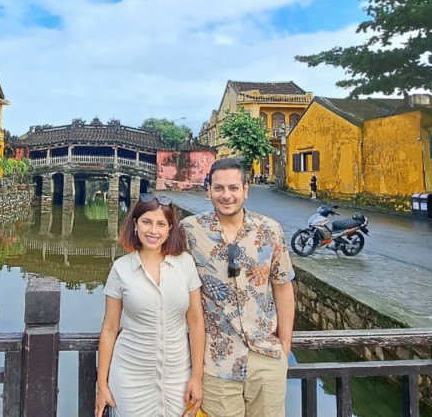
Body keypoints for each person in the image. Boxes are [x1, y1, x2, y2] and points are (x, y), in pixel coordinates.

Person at [181, 158, 295, 417]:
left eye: (233, 188)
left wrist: (284, 346)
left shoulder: (269, 230)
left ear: (246, 189)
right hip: (216, 362)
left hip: (265, 357)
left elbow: (283, 286)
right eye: (218, 188)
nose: (226, 195)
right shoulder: (191, 231)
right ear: (208, 190)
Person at [95, 193, 205, 417]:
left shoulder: (185, 264)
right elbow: (109, 327)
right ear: (135, 225)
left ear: (170, 228)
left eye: (161, 224)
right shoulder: (121, 269)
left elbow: (195, 321)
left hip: (178, 374)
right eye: (146, 222)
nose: (153, 231)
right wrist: (102, 383)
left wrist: (197, 376)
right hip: (130, 373)